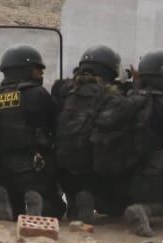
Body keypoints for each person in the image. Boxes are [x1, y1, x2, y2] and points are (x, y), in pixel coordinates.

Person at [99, 50, 163, 237]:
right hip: (146, 181)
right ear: (160, 76)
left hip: (112, 179)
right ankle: (143, 209)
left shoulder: (125, 97)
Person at [0, 45, 64, 220]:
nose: (41, 73)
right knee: (55, 209)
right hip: (33, 168)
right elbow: (55, 123)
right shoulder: (37, 94)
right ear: (25, 69)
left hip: (1, 169)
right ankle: (34, 198)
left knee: (15, 207)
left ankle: (4, 193)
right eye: (38, 69)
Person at [51, 44, 123, 224]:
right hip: (92, 162)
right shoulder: (111, 93)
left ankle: (73, 200)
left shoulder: (63, 88)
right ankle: (87, 195)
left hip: (61, 159)